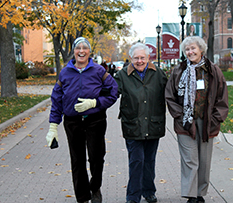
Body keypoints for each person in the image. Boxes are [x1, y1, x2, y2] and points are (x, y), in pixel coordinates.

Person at [46, 37, 118, 203]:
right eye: (78, 47)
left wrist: (95, 103)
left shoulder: (99, 71)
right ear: (74, 51)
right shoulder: (65, 73)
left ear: (89, 52)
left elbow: (114, 92)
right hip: (73, 122)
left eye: (85, 47)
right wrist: (52, 127)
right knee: (77, 160)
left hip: (95, 120)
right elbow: (56, 99)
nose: (81, 51)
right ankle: (83, 197)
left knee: (96, 157)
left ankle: (95, 187)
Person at [165, 36, 229, 203]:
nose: (190, 52)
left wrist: (216, 119)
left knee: (204, 160)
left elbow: (222, 97)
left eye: (193, 48)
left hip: (207, 122)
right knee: (190, 159)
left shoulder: (213, 71)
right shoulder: (178, 71)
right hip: (185, 123)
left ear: (201, 50)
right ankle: (191, 195)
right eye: (187, 49)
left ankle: (200, 193)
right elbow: (170, 96)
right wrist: (181, 117)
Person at [114, 43, 167, 203]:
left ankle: (149, 191)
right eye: (136, 58)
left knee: (149, 161)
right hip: (133, 125)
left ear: (148, 58)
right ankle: (133, 196)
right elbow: (111, 93)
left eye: (142, 57)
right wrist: (94, 103)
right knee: (136, 161)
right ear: (131, 58)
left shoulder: (158, 74)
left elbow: (172, 93)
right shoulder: (123, 75)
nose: (139, 61)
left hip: (153, 124)